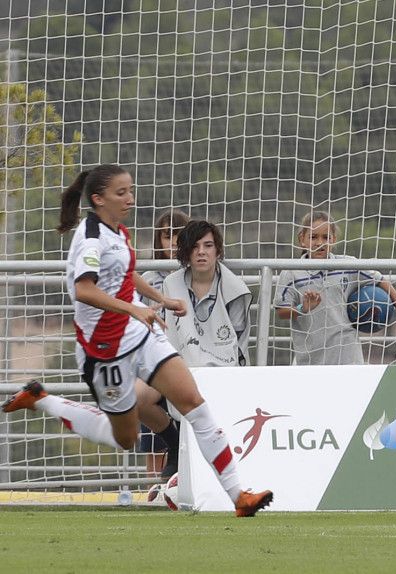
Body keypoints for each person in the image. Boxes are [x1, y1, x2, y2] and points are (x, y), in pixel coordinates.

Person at [1, 165, 273, 517]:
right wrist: (134, 308)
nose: (130, 198)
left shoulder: (118, 231)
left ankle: (239, 496)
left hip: (139, 333)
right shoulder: (89, 238)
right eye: (121, 193)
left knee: (193, 402)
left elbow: (126, 275)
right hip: (103, 350)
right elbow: (84, 290)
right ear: (98, 199)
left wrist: (161, 301)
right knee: (124, 439)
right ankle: (43, 400)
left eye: (130, 190)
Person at [274, 211, 396, 365]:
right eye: (313, 237)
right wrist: (303, 307)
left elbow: (379, 280)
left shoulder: (347, 265)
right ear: (302, 240)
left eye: (326, 237)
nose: (320, 243)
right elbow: (281, 310)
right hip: (309, 358)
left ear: (334, 240)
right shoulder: (291, 271)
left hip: (347, 354)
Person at [137, 209, 190, 479]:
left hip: (189, 364)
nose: (172, 242)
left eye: (178, 235)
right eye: (166, 235)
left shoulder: (196, 275)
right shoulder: (147, 280)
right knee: (153, 441)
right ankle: (153, 492)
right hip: (155, 364)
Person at [163, 220, 252, 367]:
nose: (201, 252)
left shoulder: (236, 289)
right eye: (194, 246)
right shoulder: (171, 284)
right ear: (186, 251)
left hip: (224, 372)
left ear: (217, 250)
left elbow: (238, 341)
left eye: (208, 245)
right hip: (181, 371)